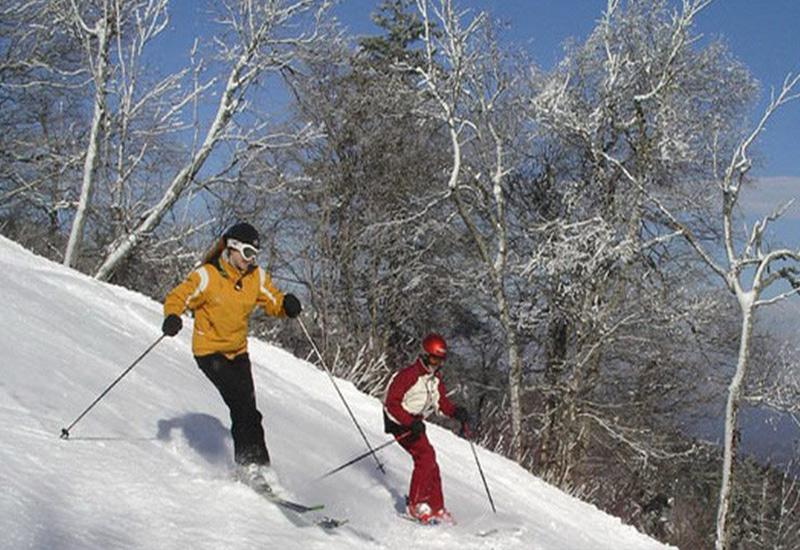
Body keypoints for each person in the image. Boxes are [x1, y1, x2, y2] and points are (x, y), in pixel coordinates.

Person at [161, 222, 302, 488]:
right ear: (232, 247)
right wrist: (172, 316)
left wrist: (287, 305)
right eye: (248, 253)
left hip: (237, 351)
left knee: (250, 410)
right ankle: (247, 466)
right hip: (210, 351)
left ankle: (262, 467)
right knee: (240, 404)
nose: (251, 260)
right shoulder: (207, 276)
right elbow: (178, 296)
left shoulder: (255, 277)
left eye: (255, 255)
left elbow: (273, 300)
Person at [382, 333, 471, 525]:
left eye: (440, 360)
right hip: (399, 422)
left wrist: (456, 412)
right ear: (424, 355)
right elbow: (391, 404)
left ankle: (436, 507)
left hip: (415, 424)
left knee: (431, 463)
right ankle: (416, 504)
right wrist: (408, 422)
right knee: (426, 456)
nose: (436, 363)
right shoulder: (408, 375)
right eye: (433, 358)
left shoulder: (434, 379)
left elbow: (442, 404)